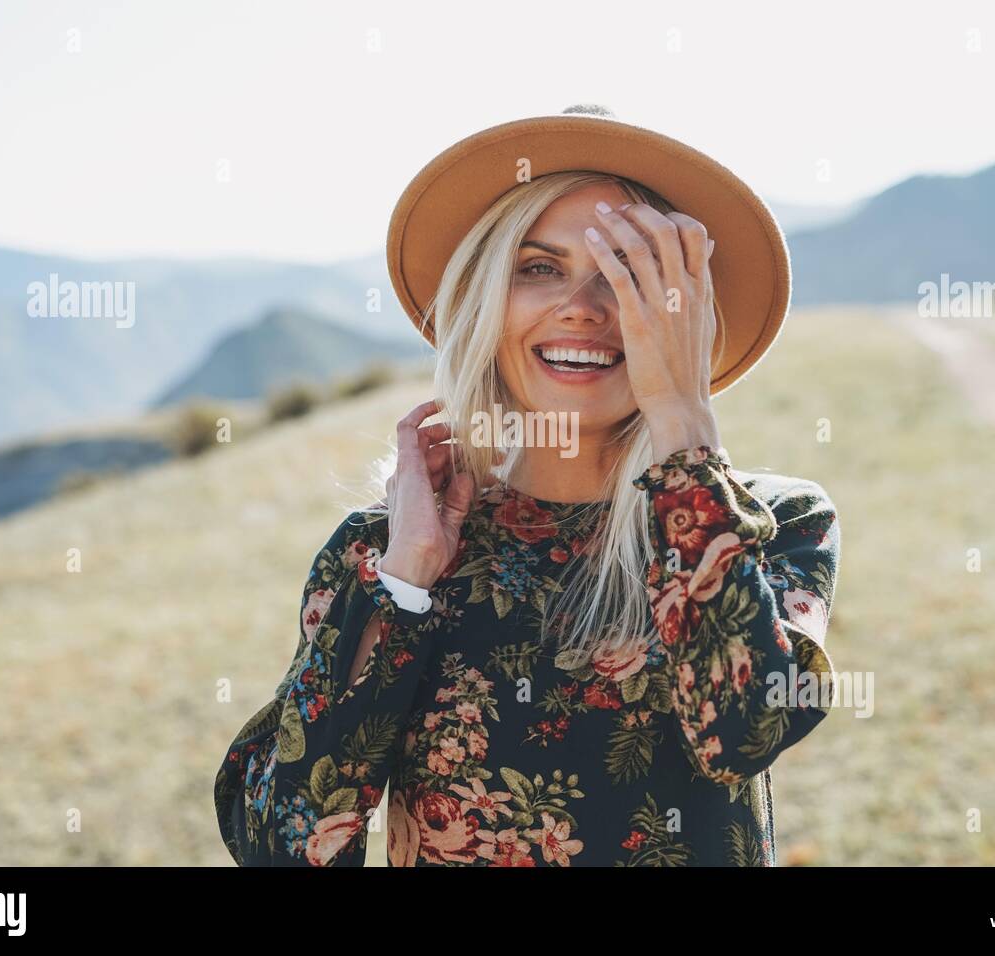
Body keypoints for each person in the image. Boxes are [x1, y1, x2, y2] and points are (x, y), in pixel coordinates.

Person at [213, 105, 840, 866]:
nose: (583, 307)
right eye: (539, 268)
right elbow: (283, 851)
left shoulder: (775, 522)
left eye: (629, 276)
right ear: (483, 301)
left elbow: (746, 732)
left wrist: (682, 415)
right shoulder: (380, 555)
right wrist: (406, 581)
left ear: (684, 315)